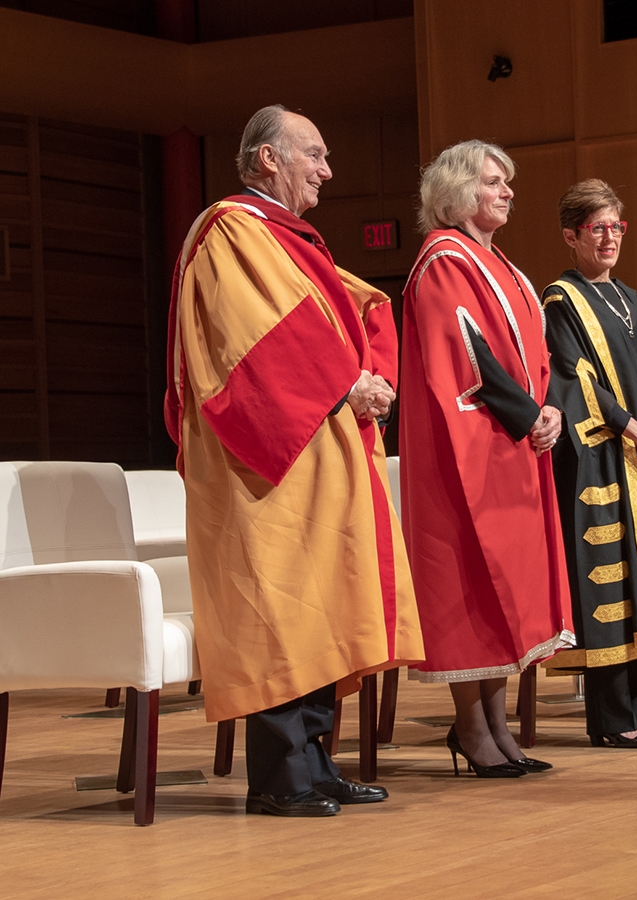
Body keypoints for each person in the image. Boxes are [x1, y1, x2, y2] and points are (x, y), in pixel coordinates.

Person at [165, 104, 424, 817]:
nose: (327, 169)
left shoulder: (284, 238)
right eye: (314, 153)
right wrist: (348, 381)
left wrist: (367, 373)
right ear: (268, 158)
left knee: (320, 604)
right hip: (265, 458)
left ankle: (316, 760)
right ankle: (279, 777)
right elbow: (261, 337)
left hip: (317, 446)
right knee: (278, 607)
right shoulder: (231, 231)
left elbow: (351, 306)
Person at [400, 139, 574, 777]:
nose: (507, 192)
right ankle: (471, 728)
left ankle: (497, 727)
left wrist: (550, 408)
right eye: (494, 182)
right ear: (456, 190)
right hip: (467, 453)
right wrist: (532, 416)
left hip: (515, 447)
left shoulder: (501, 265)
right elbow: (470, 355)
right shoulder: (444, 260)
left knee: (505, 589)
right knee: (470, 585)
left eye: (507, 183)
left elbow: (536, 357)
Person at [542, 179, 637, 748]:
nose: (608, 238)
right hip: (602, 459)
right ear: (571, 236)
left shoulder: (633, 299)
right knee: (612, 586)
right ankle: (612, 720)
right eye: (596, 229)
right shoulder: (561, 300)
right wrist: (635, 432)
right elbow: (574, 379)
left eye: (616, 227)